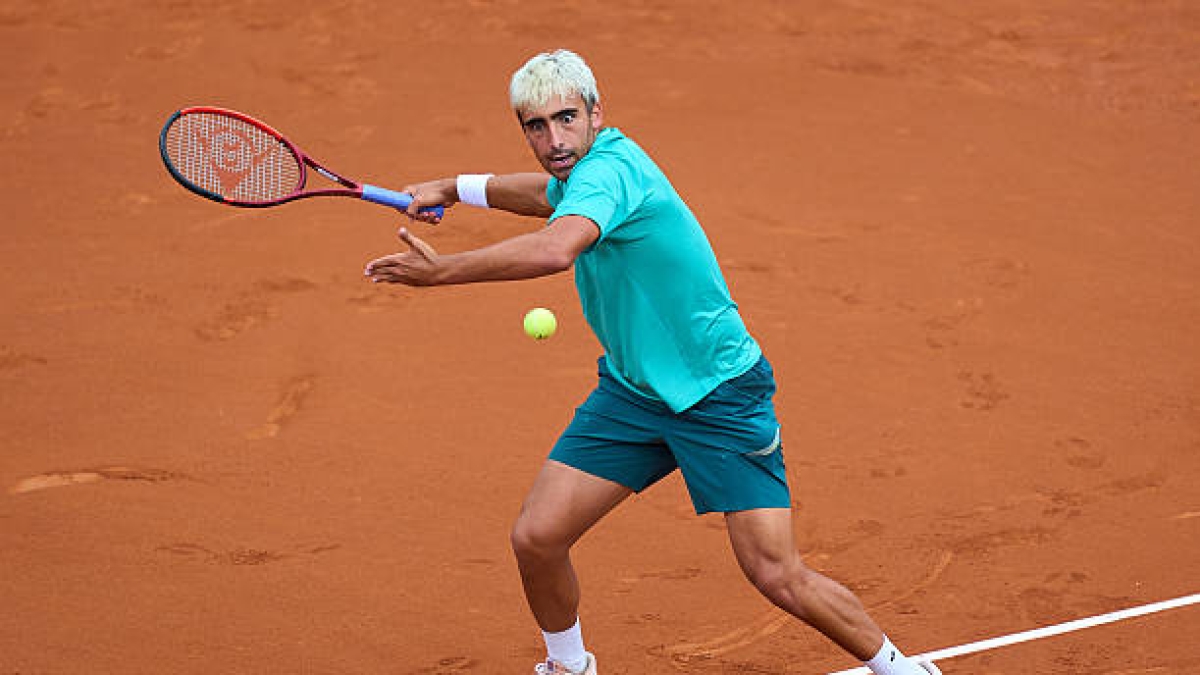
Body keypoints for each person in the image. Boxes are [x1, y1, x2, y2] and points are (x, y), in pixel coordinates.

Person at [364, 49, 941, 675]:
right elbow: (544, 194)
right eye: (536, 126)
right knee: (537, 538)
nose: (554, 139)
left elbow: (558, 247)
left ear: (595, 112)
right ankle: (569, 665)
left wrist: (441, 271)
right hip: (634, 394)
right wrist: (454, 188)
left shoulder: (609, 172)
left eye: (565, 119)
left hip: (717, 395)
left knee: (776, 574)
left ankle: (901, 668)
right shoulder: (581, 171)